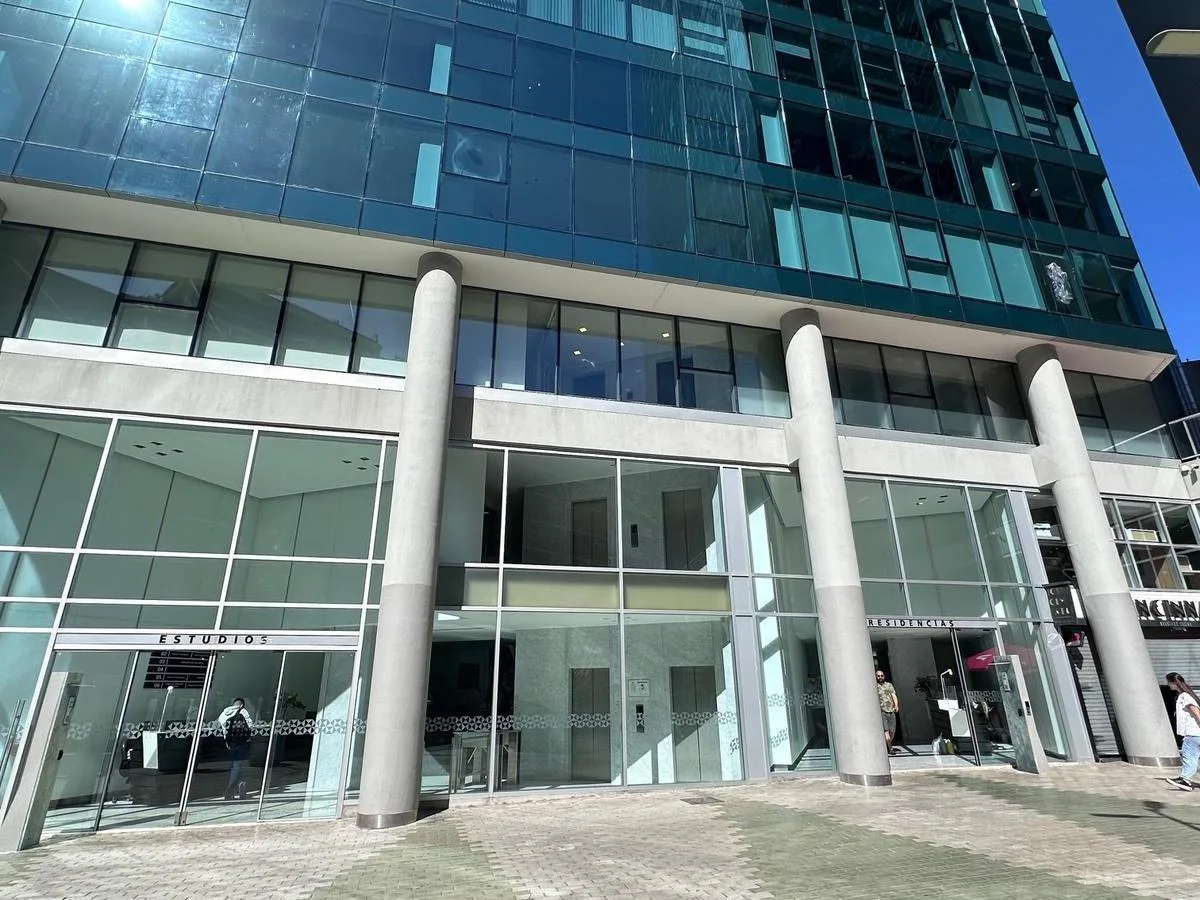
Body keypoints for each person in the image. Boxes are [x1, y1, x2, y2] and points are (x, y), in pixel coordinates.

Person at [1166, 673, 1200, 792]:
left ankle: (1185, 780)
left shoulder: (1185, 696)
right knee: (1192, 757)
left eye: (1168, 682)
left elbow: (1196, 712)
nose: (1168, 685)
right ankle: (1185, 778)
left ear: (1174, 682)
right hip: (1195, 733)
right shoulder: (1186, 695)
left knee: (1189, 757)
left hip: (1193, 733)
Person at [218, 698, 254, 801]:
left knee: (236, 767)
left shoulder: (225, 712)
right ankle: (230, 791)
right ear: (241, 705)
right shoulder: (243, 712)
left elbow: (222, 725)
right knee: (237, 767)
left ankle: (241, 788)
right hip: (241, 743)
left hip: (230, 744)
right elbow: (250, 725)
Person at [877, 670, 900, 755]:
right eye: (878, 676)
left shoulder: (889, 685)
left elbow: (893, 695)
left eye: (881, 675)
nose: (880, 677)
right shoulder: (875, 686)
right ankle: (890, 748)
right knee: (886, 731)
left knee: (892, 731)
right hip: (882, 711)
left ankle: (887, 744)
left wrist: (896, 705)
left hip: (891, 710)